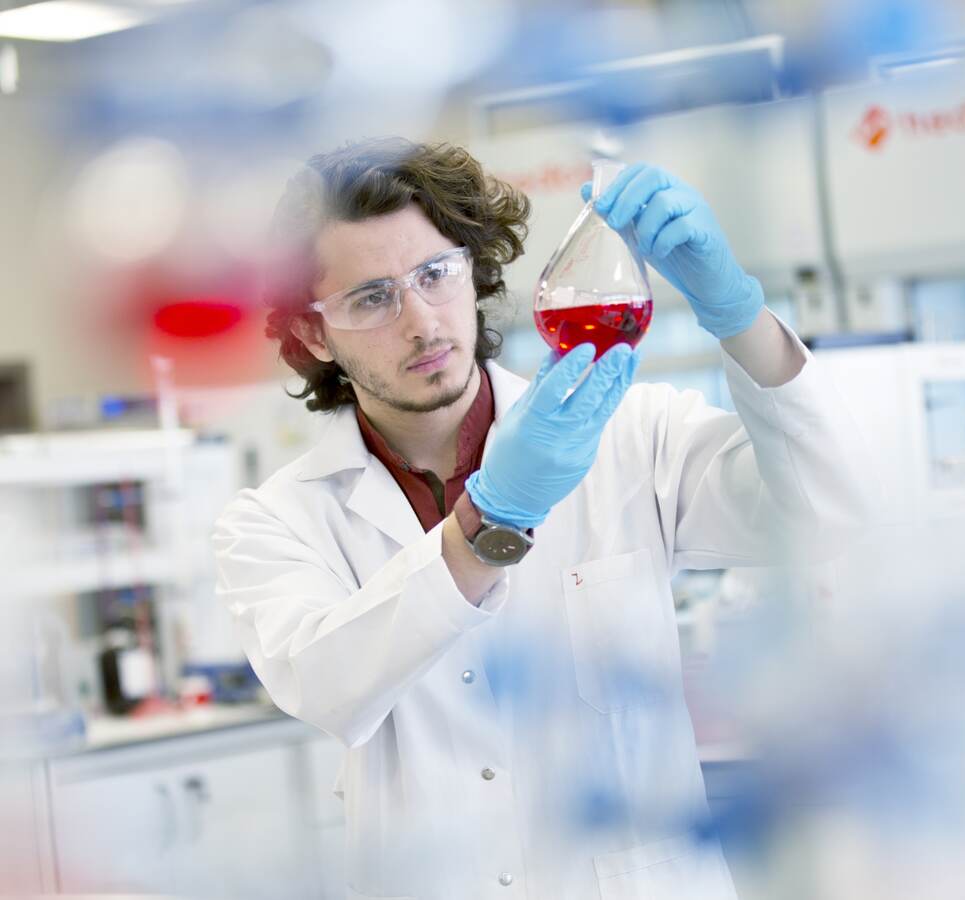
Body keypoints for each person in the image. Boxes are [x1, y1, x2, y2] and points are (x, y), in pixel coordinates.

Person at [212, 137, 874, 900]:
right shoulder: (276, 522)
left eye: (435, 274)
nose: (422, 322)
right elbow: (328, 687)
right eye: (372, 297)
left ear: (474, 270)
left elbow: (832, 510)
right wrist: (490, 521)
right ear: (312, 334)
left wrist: (739, 316)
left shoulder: (630, 434)